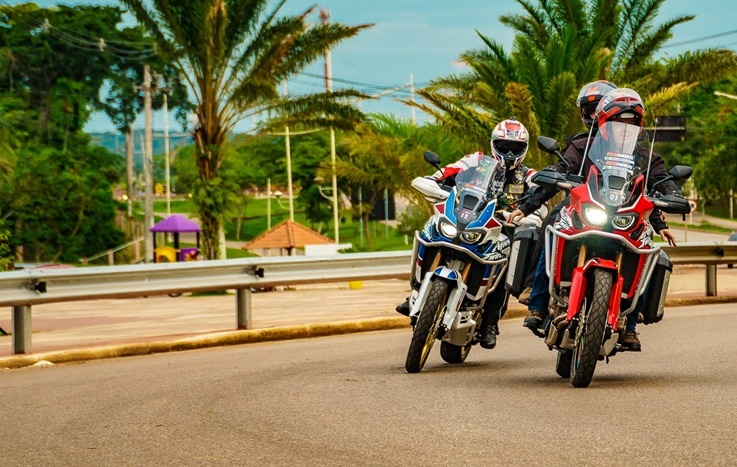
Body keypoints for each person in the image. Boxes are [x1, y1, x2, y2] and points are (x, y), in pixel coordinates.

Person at [508, 88, 682, 351]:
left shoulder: (647, 157)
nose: (623, 128)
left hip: (625, 216)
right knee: (555, 226)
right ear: (603, 122)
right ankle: (537, 302)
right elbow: (561, 169)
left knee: (646, 247)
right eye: (616, 122)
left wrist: (673, 199)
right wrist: (530, 203)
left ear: (638, 125)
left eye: (630, 123)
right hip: (588, 209)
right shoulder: (582, 145)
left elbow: (661, 183)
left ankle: (631, 325)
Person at [396, 118, 547, 350]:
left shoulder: (529, 175)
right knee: (432, 230)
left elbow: (540, 201)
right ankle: (416, 292)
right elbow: (446, 173)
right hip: (467, 217)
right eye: (503, 145)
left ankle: (489, 322)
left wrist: (528, 215)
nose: (508, 152)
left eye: (514, 148)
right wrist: (433, 183)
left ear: (523, 150)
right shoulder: (475, 161)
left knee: (503, 261)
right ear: (493, 144)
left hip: (500, 227)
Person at [517, 80, 619, 305]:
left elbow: (650, 178)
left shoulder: (630, 145)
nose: (594, 115)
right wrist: (527, 207)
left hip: (620, 206)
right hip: (580, 202)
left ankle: (632, 311)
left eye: (599, 109)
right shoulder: (579, 143)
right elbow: (561, 169)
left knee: (644, 238)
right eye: (589, 110)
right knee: (552, 220)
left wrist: (660, 218)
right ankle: (535, 288)